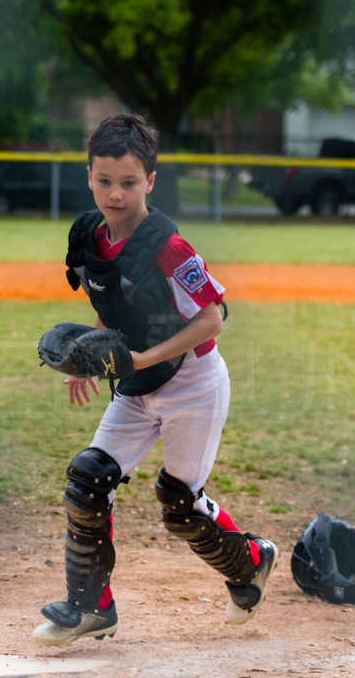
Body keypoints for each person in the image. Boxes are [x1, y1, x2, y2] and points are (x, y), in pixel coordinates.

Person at [32, 114, 280, 646]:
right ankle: (90, 607)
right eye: (103, 180)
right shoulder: (89, 236)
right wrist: (88, 355)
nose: (114, 193)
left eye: (128, 182)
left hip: (192, 382)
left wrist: (141, 361)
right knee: (87, 479)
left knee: (180, 503)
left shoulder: (169, 246)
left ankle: (252, 562)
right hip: (137, 384)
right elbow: (115, 301)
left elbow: (213, 317)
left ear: (150, 181)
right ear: (88, 176)